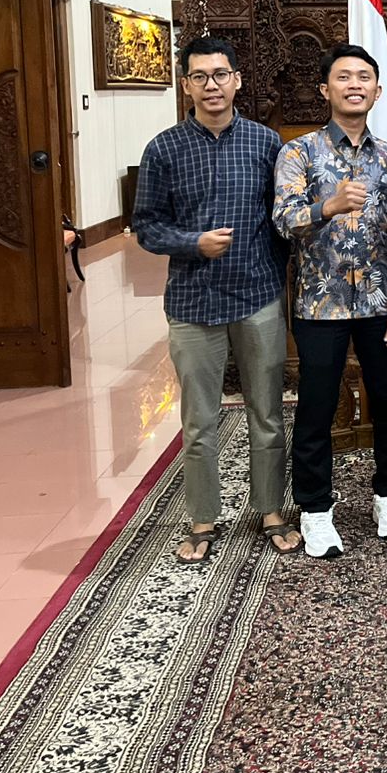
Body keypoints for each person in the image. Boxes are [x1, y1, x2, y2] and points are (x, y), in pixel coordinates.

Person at [133, 37, 294, 564]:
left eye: (220, 74)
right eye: (200, 76)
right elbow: (146, 226)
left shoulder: (266, 144)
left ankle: (270, 510)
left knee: (267, 412)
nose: (212, 85)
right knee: (199, 420)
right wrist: (192, 243)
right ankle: (203, 518)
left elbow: (282, 219)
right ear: (186, 85)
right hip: (193, 301)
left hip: (257, 296)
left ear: (237, 80)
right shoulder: (164, 149)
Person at [272, 44, 387, 559]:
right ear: (325, 89)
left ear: (378, 91)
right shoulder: (299, 153)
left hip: (380, 303)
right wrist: (327, 206)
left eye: (364, 78)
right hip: (320, 304)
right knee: (316, 407)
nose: (355, 85)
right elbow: (283, 220)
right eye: (344, 77)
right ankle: (315, 510)